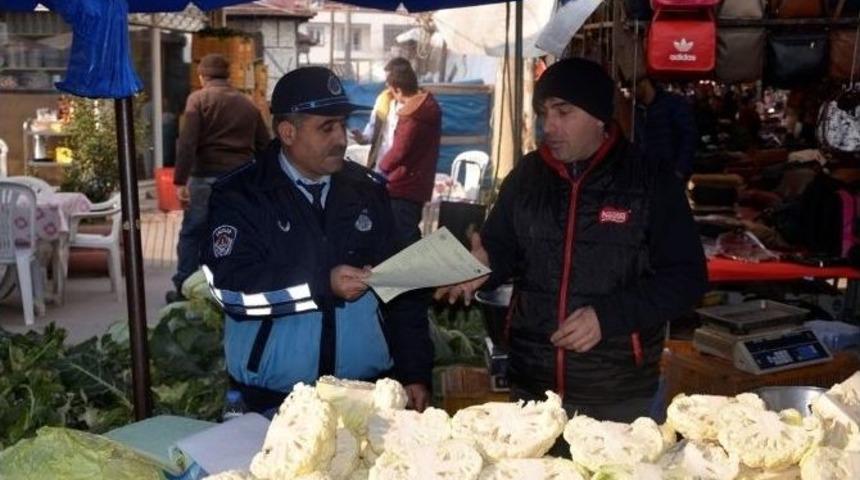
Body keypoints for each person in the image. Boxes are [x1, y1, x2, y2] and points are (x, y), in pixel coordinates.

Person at [440, 58, 707, 423]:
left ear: (599, 116)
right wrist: (484, 264)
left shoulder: (651, 182)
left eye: (563, 112)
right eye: (544, 112)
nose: (549, 126)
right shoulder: (527, 176)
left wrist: (608, 317)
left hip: (616, 395)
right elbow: (503, 247)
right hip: (532, 389)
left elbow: (687, 279)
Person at [200, 66, 433, 414]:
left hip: (366, 396)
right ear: (288, 132)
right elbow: (230, 290)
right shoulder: (241, 195)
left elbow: (402, 289)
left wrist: (414, 372)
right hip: (270, 402)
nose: (341, 138)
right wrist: (320, 284)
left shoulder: (367, 191)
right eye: (327, 127)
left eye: (342, 124)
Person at [167, 54, 270, 303]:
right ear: (228, 75)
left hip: (205, 178)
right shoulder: (248, 105)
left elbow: (188, 143)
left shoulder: (198, 100)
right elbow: (264, 145)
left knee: (193, 232)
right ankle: (234, 284)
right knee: (235, 232)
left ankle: (184, 287)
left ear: (202, 76)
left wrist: (180, 180)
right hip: (241, 179)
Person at [377, 59, 442, 246]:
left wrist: (381, 167)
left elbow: (399, 151)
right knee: (405, 235)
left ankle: (416, 274)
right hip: (417, 184)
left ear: (397, 90)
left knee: (405, 240)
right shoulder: (427, 107)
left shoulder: (414, 115)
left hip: (404, 186)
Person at [350, 57, 413, 171]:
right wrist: (362, 138)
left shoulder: (416, 106)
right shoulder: (383, 101)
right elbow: (371, 132)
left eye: (389, 78)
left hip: (404, 171)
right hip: (380, 168)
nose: (386, 83)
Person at [634, 76, 698, 181]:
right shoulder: (638, 110)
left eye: (633, 87)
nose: (631, 92)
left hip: (669, 171)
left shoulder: (673, 103)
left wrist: (680, 169)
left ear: (644, 83)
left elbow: (689, 137)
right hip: (649, 174)